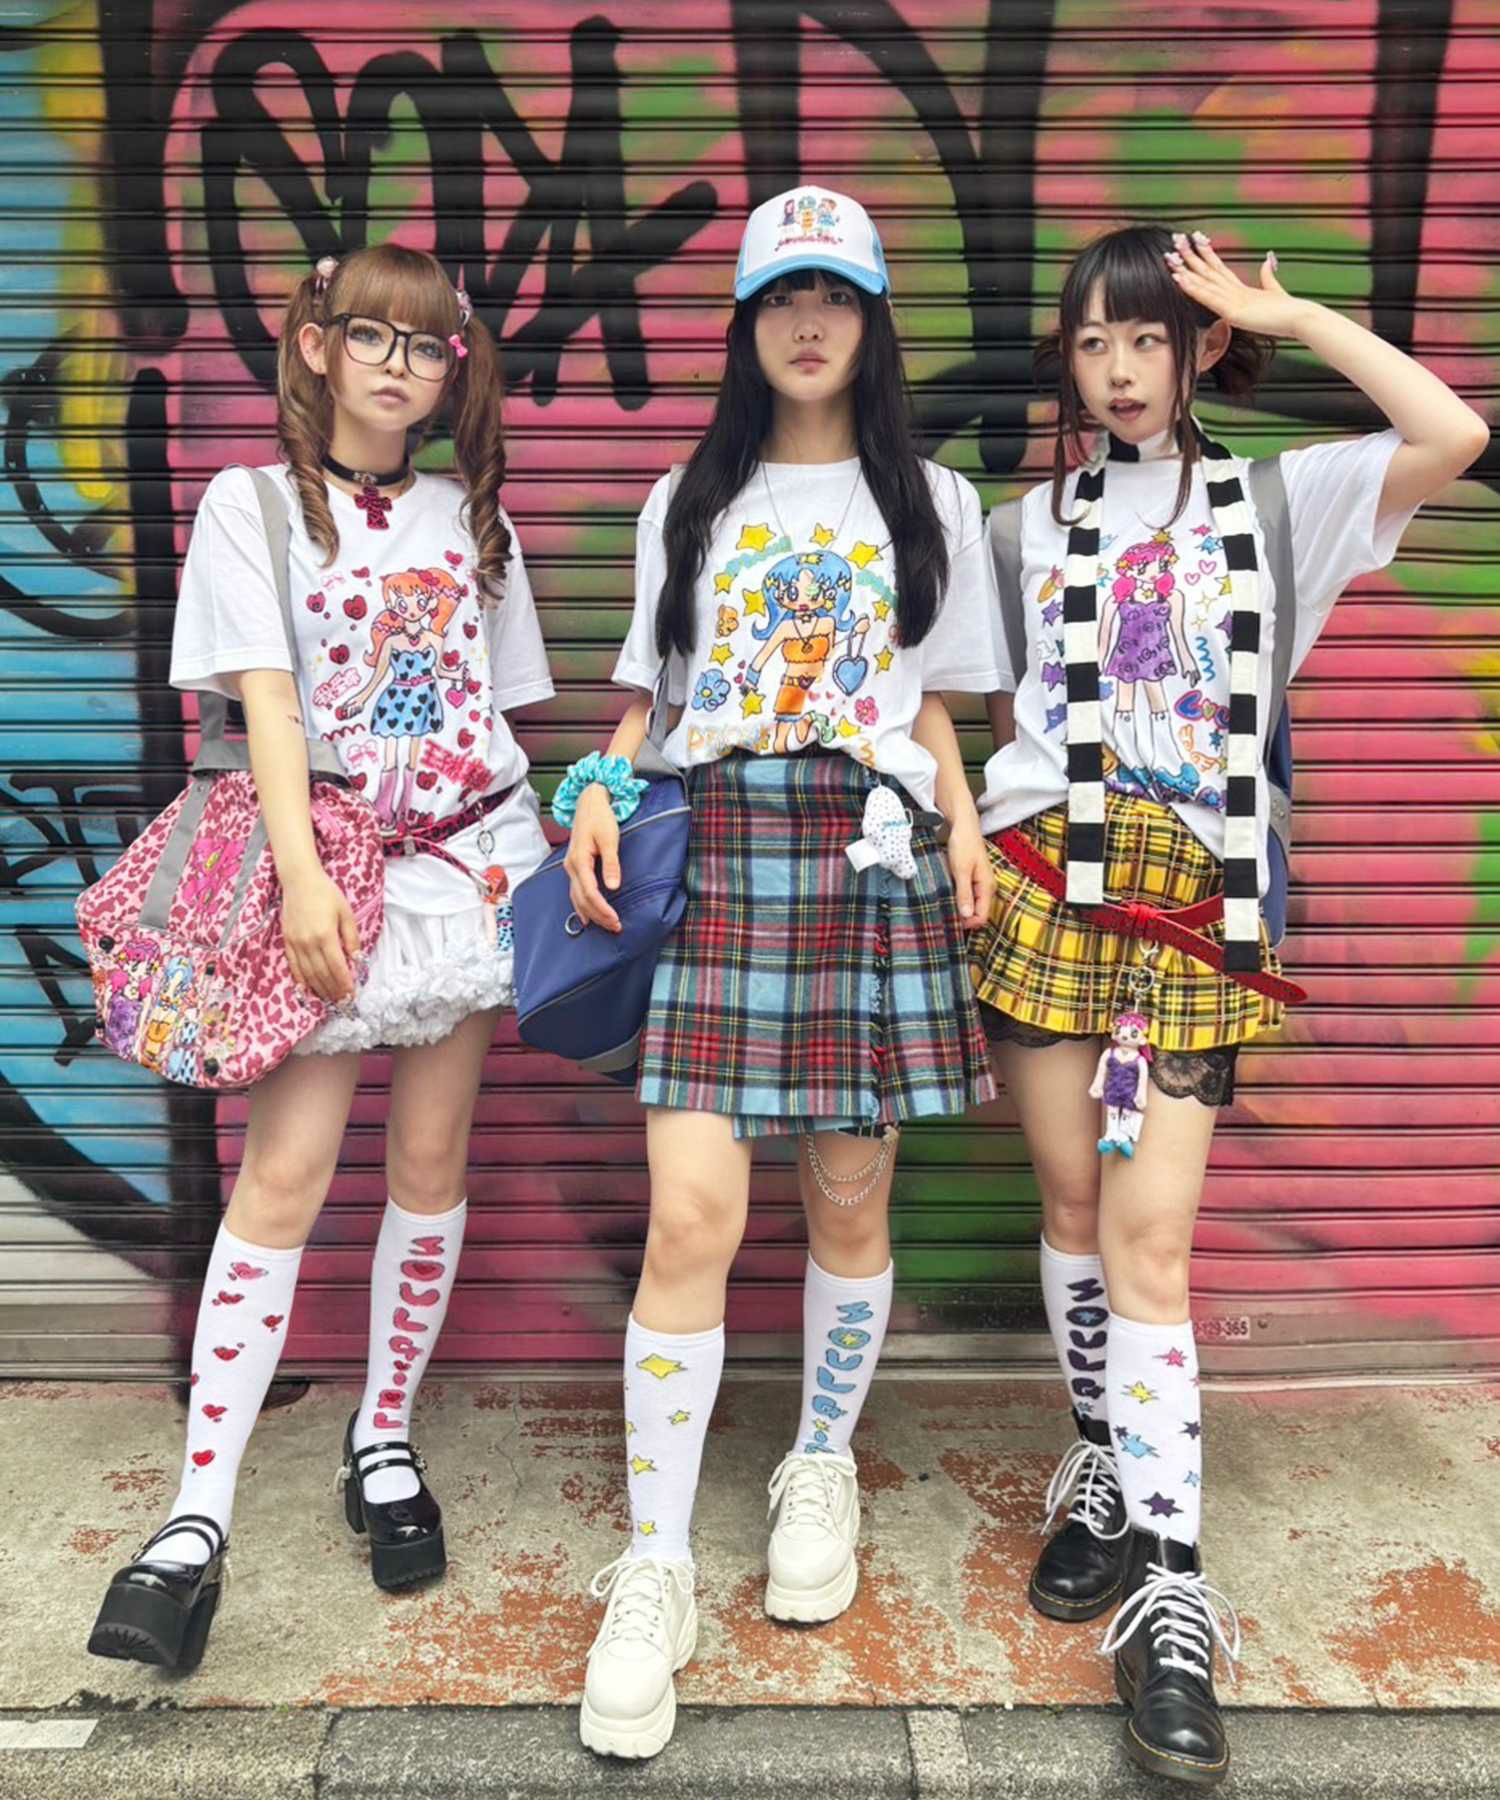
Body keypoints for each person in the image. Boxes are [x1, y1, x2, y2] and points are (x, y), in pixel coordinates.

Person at [970, 222, 1486, 1785]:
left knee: (1150, 1242)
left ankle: (1174, 1594)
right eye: (1093, 343)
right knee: (1074, 1208)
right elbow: (951, 695)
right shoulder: (1019, 526)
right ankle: (1107, 1466)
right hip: (1042, 882)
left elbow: (1453, 433)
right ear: (1067, 364)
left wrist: (1297, 315)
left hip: (1197, 909)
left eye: (1149, 338)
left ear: (1197, 349)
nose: (1120, 370)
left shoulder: (1282, 501)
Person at [560, 185, 999, 1759]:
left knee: (849, 1199)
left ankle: (819, 1461)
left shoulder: (933, 501)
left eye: (836, 296)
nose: (808, 322)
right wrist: (595, 793)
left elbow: (930, 698)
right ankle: (656, 1563)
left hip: (867, 848)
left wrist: (963, 824)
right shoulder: (687, 495)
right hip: (722, 842)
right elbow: (652, 695)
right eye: (780, 298)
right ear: (747, 326)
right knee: (691, 1212)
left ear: (873, 322)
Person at [86, 244, 555, 1669]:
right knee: (283, 1177)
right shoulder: (251, 504)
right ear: (315, 345)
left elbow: (499, 704)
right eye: (371, 337)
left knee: (431, 1164)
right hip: (325, 880)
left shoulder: (473, 518)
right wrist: (300, 879)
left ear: (452, 371)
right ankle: (195, 1519)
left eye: (427, 346)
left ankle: (385, 1433)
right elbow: (269, 706)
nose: (398, 366)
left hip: (465, 869)